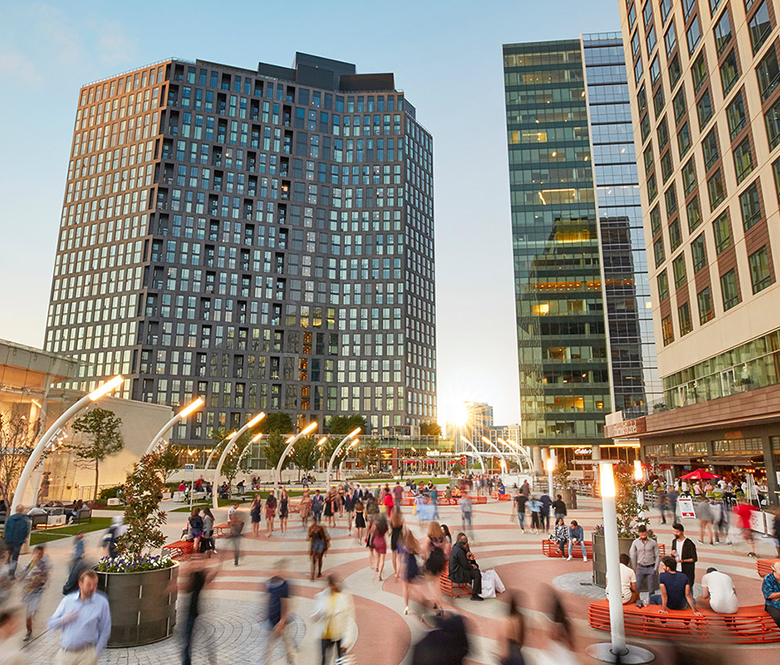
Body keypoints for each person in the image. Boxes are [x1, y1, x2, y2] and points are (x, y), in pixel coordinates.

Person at [48, 569, 111, 662]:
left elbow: (105, 629)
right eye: (89, 585)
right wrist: (63, 619)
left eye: (95, 585)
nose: (92, 588)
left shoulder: (101, 603)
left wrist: (96, 652)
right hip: (66, 654)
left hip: (87, 654)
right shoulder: (67, 601)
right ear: (80, 584)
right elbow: (51, 624)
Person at [179, 554, 216, 665]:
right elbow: (208, 580)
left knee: (187, 639)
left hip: (191, 611)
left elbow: (186, 588)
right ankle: (211, 659)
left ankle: (186, 662)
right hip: (196, 611)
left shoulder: (195, 575)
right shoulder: (201, 574)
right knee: (200, 638)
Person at [312, 575, 355, 665]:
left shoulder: (344, 597)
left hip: (338, 634)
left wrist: (347, 642)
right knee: (323, 660)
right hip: (324, 634)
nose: (332, 587)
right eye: (330, 585)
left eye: (333, 585)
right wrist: (318, 614)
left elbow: (349, 620)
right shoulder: (322, 596)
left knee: (340, 660)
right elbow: (314, 615)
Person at [264, 564, 296, 665]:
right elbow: (269, 599)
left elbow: (285, 604)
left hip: (282, 623)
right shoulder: (270, 583)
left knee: (286, 645)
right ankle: (266, 663)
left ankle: (291, 661)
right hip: (271, 620)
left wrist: (282, 621)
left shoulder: (284, 585)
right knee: (268, 646)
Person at [21, 545, 49, 641]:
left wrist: (40, 581)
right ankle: (29, 631)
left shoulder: (44, 565)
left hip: (37, 592)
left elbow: (45, 578)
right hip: (28, 591)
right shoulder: (31, 563)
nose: (38, 555)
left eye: (40, 553)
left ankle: (31, 619)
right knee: (28, 614)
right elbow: (24, 572)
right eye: (37, 553)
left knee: (31, 612)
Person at [629, 524, 660, 604]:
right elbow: (632, 554)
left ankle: (652, 603)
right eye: (641, 534)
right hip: (640, 567)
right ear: (639, 533)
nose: (643, 536)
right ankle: (638, 602)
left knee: (651, 588)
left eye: (644, 534)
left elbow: (657, 555)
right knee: (637, 587)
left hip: (650, 567)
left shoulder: (652, 542)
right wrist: (634, 568)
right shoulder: (635, 542)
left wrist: (655, 568)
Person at [449, 534, 483, 601]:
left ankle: (474, 588)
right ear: (465, 543)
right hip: (457, 574)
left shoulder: (456, 547)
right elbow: (465, 565)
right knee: (476, 573)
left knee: (474, 570)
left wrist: (468, 560)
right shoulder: (460, 552)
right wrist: (472, 562)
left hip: (454, 571)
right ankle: (475, 594)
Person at [424, 522, 449, 612]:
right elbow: (446, 547)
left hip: (432, 561)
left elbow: (425, 551)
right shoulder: (443, 538)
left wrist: (424, 561)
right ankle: (438, 602)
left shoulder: (429, 538)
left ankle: (436, 602)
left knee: (431, 584)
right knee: (437, 584)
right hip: (440, 561)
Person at [4, 506, 30, 578]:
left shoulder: (9, 519)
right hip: (18, 541)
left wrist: (6, 538)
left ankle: (6, 568)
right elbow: (26, 530)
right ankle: (11, 574)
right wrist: (24, 538)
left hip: (9, 540)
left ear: (16, 510)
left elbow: (6, 529)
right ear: (22, 510)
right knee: (15, 558)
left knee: (8, 554)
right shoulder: (25, 520)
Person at [401, 529, 423, 615]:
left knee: (405, 587)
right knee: (414, 584)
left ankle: (406, 606)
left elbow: (402, 557)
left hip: (407, 565)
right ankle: (421, 598)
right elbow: (420, 552)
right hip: (414, 564)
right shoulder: (414, 543)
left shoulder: (404, 545)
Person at [501, 593, 525, 665]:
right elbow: (522, 634)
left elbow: (503, 637)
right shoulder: (520, 617)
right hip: (517, 646)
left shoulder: (506, 620)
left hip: (509, 646)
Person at [370, 515, 389, 581]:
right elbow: (388, 533)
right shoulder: (385, 525)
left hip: (376, 540)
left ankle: (376, 567)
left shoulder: (375, 523)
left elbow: (372, 532)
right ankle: (379, 575)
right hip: (382, 541)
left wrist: (370, 541)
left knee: (377, 556)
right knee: (382, 559)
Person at [762, 560, 780, 628]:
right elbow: (768, 595)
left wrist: (776, 596)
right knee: (778, 616)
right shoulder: (768, 579)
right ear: (775, 572)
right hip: (772, 604)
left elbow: (773, 595)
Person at [389, 508, 405, 580]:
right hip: (400, 538)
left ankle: (395, 571)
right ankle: (398, 572)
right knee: (399, 557)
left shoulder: (391, 520)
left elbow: (390, 530)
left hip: (393, 538)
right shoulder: (402, 520)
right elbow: (404, 530)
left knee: (393, 555)